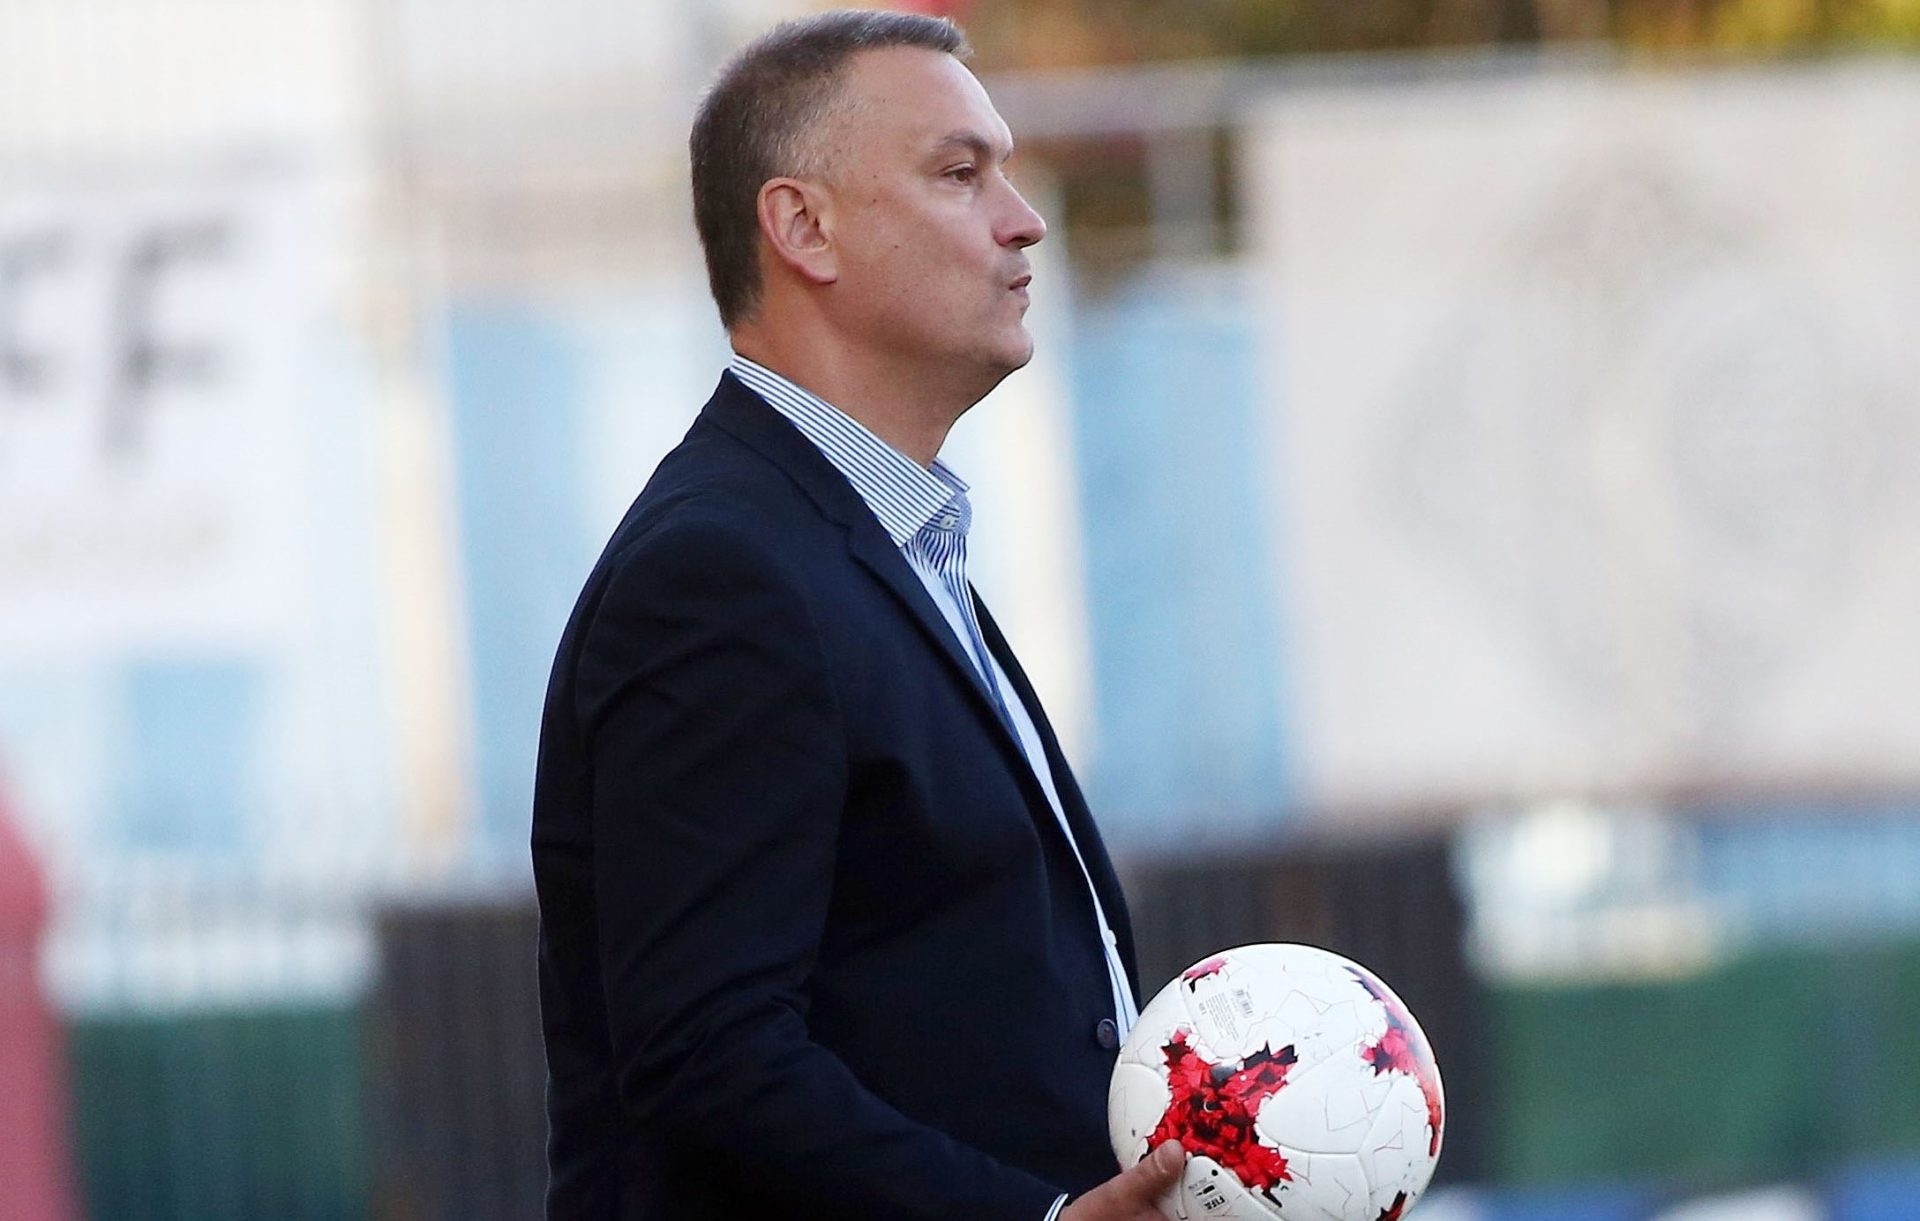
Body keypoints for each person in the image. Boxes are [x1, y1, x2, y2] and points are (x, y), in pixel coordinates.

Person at [530, 11, 1183, 1219]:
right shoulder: (721, 574)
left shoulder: (871, 543)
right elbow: (708, 1056)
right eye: (959, 173)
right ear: (803, 228)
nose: (1023, 219)